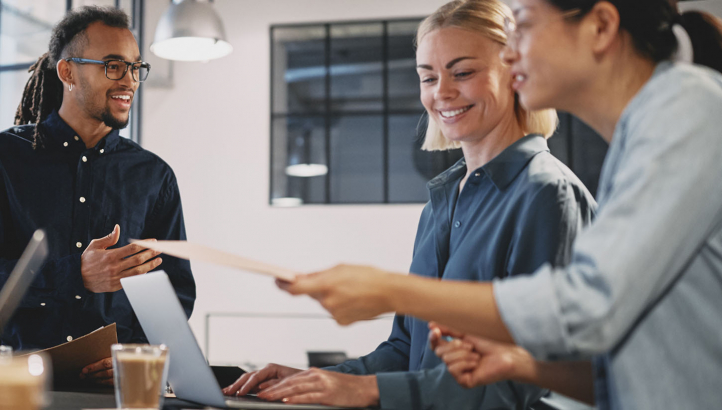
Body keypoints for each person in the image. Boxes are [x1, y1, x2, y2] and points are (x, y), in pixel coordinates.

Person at [278, 0, 722, 408]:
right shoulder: (639, 135)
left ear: (602, 26)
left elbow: (588, 307)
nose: (512, 55)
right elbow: (623, 369)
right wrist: (519, 365)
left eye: (524, 27)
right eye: (428, 76)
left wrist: (391, 291)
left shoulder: (685, 109)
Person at [221, 1, 595, 408]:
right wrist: (318, 380)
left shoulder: (548, 195)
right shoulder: (441, 202)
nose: (442, 93)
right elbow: (405, 351)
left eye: (463, 72)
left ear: (514, 70)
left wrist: (366, 391)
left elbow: (526, 385)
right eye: (428, 77)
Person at [0, 6, 194, 386]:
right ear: (67, 72)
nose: (130, 80)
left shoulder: (155, 176)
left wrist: (135, 352)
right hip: (12, 384)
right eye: (114, 66)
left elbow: (176, 293)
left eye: (136, 67)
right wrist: (75, 274)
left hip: (113, 392)